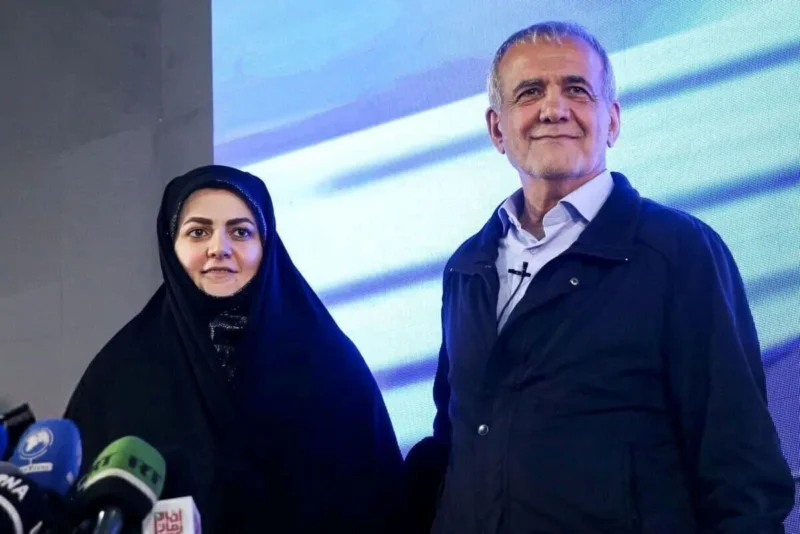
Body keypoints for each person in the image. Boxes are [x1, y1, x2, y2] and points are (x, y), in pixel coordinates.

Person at [404, 21, 794, 534]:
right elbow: (454, 440)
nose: (553, 108)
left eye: (577, 89)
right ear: (497, 129)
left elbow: (740, 466)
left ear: (611, 121)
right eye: (529, 92)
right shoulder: (467, 267)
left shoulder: (679, 252)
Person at [65, 165, 406, 533]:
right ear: (171, 245)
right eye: (198, 232)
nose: (219, 249)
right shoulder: (118, 377)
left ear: (266, 245)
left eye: (241, 232)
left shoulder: (331, 365)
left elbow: (384, 506)